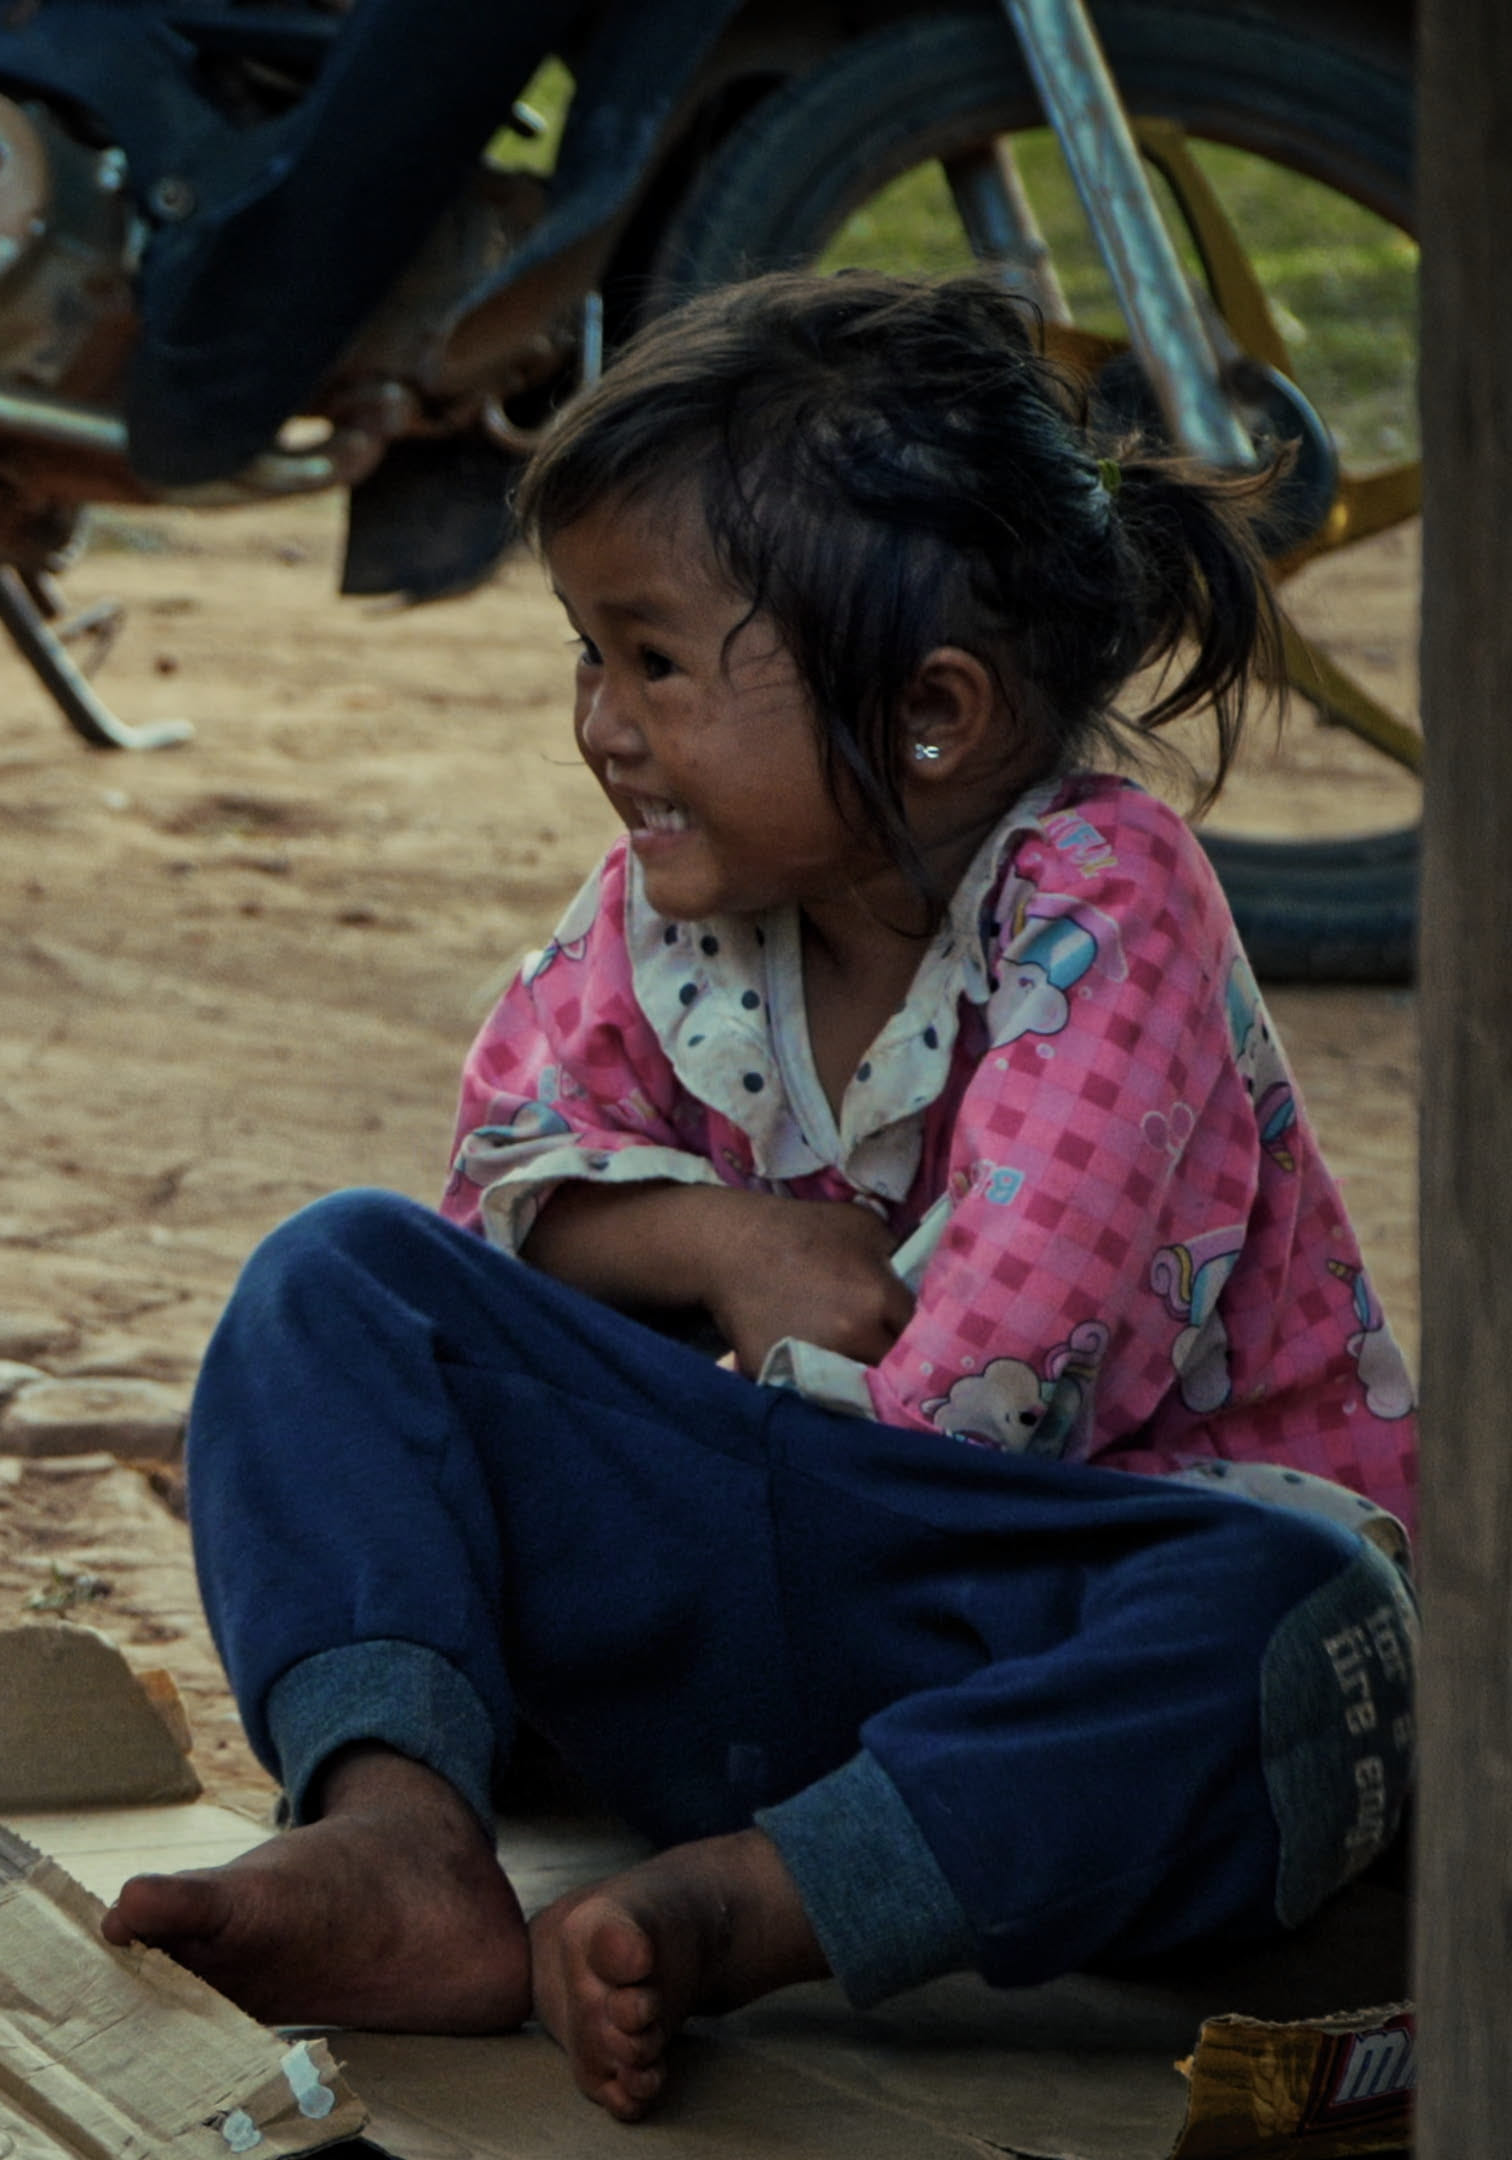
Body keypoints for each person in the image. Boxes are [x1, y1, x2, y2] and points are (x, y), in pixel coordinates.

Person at [103, 273, 1416, 2119]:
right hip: (793, 1600)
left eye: (650, 659)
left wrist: (672, 1482)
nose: (599, 724)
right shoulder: (667, 910)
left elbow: (992, 1395)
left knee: (1303, 1619)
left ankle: (758, 1905)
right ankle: (398, 1834)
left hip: (1027, 1619)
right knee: (339, 1285)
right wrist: (721, 1241)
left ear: (934, 714)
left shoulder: (1105, 898)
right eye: (586, 651)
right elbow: (500, 1174)